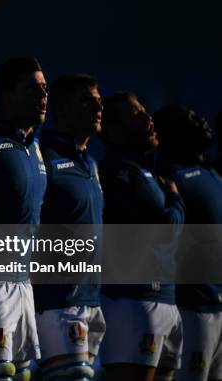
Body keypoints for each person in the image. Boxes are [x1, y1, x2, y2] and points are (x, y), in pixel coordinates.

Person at [98, 93, 184, 381]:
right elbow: (161, 232)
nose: (149, 119)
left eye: (145, 111)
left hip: (166, 299)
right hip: (133, 302)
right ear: (113, 130)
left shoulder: (146, 172)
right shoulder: (117, 173)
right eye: (135, 115)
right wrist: (175, 201)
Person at [0, 57, 48, 380]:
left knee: (22, 374)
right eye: (33, 88)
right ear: (6, 93)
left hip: (24, 280)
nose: (42, 96)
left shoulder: (34, 145)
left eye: (45, 88)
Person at [33, 74, 106, 381]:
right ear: (61, 108)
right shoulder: (41, 156)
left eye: (98, 99)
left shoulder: (89, 162)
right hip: (58, 301)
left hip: (91, 299)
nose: (98, 105)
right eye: (87, 100)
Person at [154, 105, 222, 381]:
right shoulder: (170, 177)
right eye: (191, 118)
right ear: (170, 132)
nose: (202, 119)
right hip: (192, 310)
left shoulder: (212, 174)